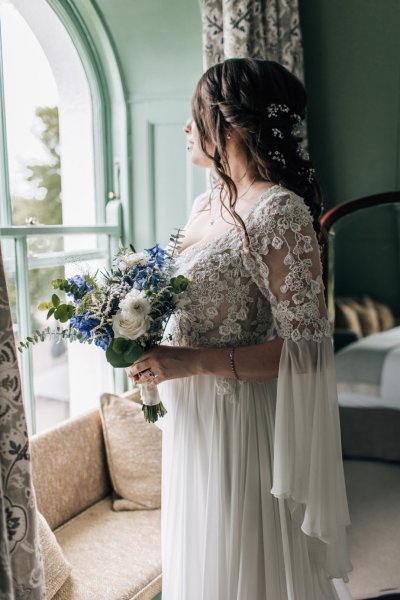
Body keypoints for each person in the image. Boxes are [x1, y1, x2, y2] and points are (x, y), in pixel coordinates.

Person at [126, 58, 354, 600]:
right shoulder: (207, 203)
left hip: (244, 420)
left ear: (232, 125)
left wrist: (191, 363)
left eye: (194, 115)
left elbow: (308, 351)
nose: (186, 128)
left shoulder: (280, 212)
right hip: (195, 421)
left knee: (246, 562)